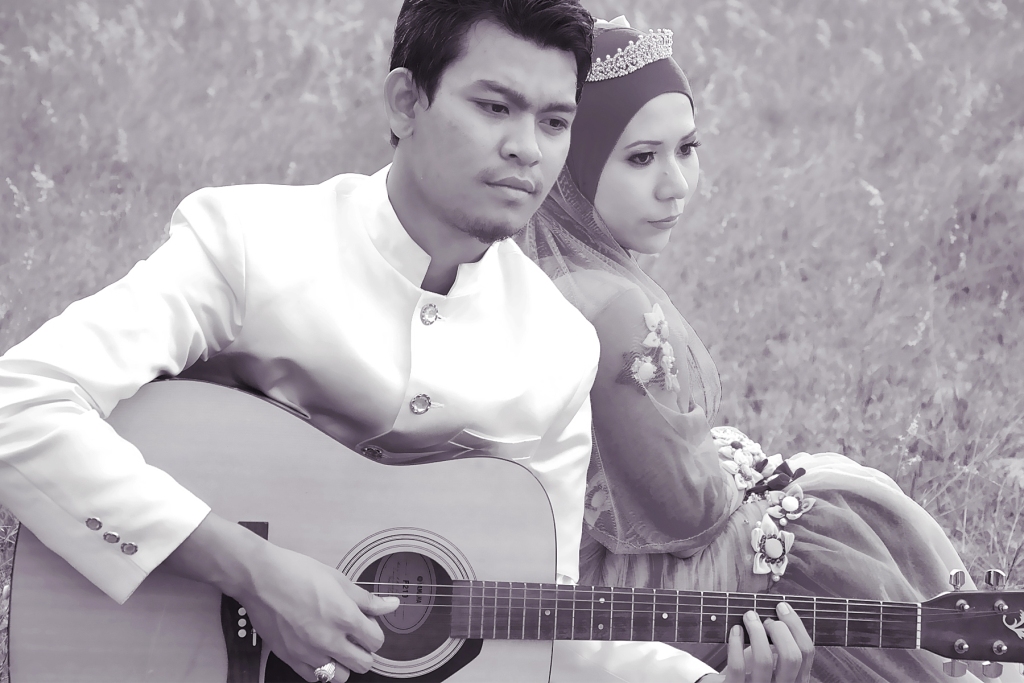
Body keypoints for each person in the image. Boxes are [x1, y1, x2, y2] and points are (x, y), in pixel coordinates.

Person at [0, 2, 813, 682]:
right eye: (494, 107)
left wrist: (702, 679)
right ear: (404, 103)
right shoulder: (251, 242)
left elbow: (546, 623)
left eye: (555, 120)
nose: (527, 148)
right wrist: (251, 569)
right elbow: (20, 403)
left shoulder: (560, 347)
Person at [520, 16, 1020, 683]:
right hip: (624, 600)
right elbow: (686, 513)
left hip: (550, 566)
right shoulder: (613, 308)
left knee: (816, 480)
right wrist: (749, 483)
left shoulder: (531, 270)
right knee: (825, 524)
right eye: (641, 158)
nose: (676, 184)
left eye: (687, 148)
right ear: (571, 163)